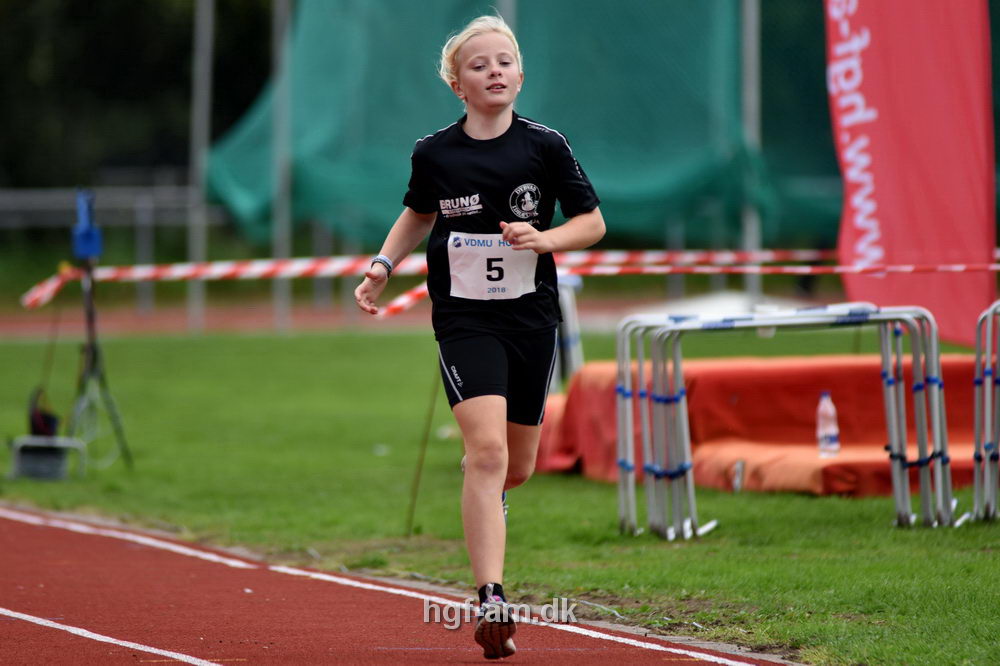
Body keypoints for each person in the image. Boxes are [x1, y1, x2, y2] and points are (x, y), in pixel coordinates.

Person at [354, 14, 605, 660]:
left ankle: (486, 495)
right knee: (487, 453)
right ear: (457, 84)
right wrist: (382, 264)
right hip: (465, 321)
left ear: (520, 75)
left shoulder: (545, 146)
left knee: (514, 468)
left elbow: (592, 223)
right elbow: (418, 212)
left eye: (504, 61)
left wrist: (544, 239)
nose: (494, 71)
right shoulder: (434, 153)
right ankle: (491, 597)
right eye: (479, 65)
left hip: (531, 320)